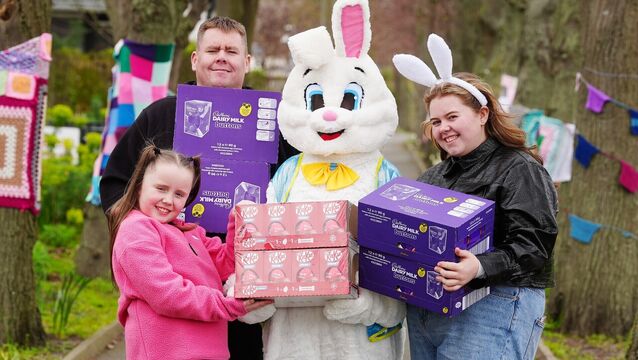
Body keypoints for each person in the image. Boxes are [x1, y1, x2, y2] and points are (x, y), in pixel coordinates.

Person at [100, 16, 299, 359]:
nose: (222, 56)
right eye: (213, 49)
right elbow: (116, 182)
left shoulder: (276, 120)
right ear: (196, 60)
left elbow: (296, 182)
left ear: (247, 62)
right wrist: (150, 233)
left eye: (231, 50)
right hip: (175, 272)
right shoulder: (159, 115)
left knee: (245, 351)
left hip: (243, 267)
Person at [393, 34, 558, 359]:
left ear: (482, 114)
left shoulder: (518, 167)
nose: (443, 128)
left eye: (452, 117)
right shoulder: (433, 176)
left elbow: (535, 246)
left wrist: (480, 266)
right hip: (429, 308)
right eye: (436, 121)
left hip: (494, 305)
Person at [107, 144, 273, 360]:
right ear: (139, 186)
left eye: (179, 194)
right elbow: (168, 295)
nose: (168, 199)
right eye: (161, 188)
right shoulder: (136, 229)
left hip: (209, 352)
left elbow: (228, 265)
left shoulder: (190, 232)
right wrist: (229, 305)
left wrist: (238, 224)